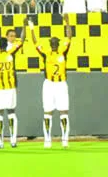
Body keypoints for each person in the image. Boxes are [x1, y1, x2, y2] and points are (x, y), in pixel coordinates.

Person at [29, 14, 73, 148]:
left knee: (63, 112)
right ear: (50, 44)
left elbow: (69, 37)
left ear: (57, 44)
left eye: (55, 42)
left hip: (61, 84)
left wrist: (67, 22)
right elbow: (35, 42)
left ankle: (65, 139)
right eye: (52, 42)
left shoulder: (63, 52)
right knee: (48, 112)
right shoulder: (46, 54)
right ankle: (47, 140)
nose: (54, 44)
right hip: (49, 84)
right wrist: (31, 28)